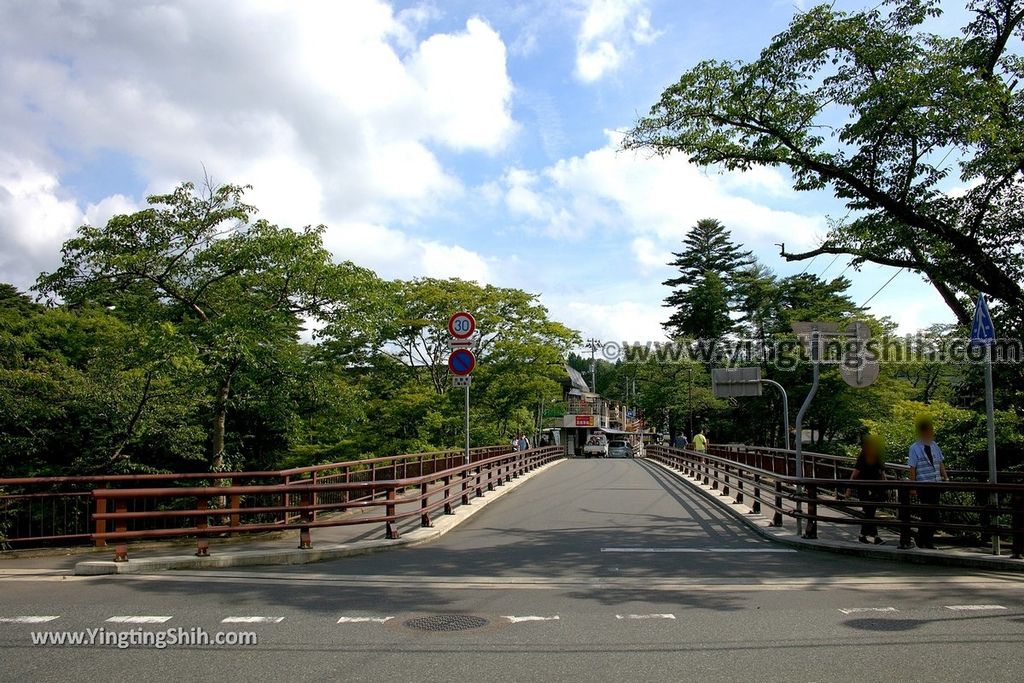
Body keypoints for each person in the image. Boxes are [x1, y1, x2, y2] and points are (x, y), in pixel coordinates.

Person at [900, 413, 948, 550]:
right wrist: (913, 486)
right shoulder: (914, 447)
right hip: (923, 483)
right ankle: (925, 540)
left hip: (935, 482)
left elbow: (940, 462)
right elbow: (912, 468)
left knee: (933, 512)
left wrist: (946, 477)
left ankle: (924, 539)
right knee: (927, 513)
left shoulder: (934, 445)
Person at [847, 433, 887, 545]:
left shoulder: (867, 455)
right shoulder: (872, 455)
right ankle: (874, 536)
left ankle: (864, 535)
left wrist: (849, 488)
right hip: (870, 486)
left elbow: (855, 473)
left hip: (867, 487)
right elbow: (882, 473)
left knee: (869, 511)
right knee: (870, 511)